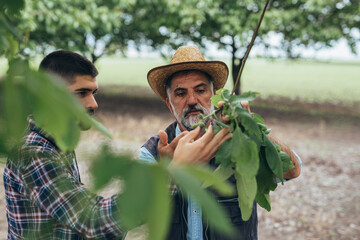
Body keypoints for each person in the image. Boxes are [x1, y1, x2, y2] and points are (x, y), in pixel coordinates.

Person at [3, 50, 231, 240]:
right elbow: (92, 221)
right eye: (81, 93)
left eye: (93, 93)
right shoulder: (35, 153)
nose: (93, 104)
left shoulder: (56, 143)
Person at [139, 46, 302, 240]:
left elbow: (292, 170)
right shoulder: (153, 152)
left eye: (200, 90)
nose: (192, 100)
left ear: (215, 95)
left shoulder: (238, 140)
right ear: (169, 103)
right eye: (181, 93)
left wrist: (253, 131)